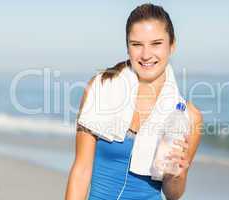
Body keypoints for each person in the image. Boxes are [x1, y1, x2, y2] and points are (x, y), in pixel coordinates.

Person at [65, 3, 202, 200]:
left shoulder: (188, 116)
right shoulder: (99, 87)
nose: (146, 55)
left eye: (156, 43)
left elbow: (173, 194)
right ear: (128, 47)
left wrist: (177, 175)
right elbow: (81, 171)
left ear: (172, 45)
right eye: (137, 44)